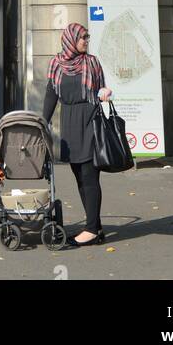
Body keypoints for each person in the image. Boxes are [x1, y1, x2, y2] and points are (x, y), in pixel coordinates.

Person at [43, 22, 112, 247]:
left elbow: (100, 87)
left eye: (87, 37)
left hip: (89, 120)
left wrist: (105, 93)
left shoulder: (91, 62)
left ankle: (91, 230)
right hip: (69, 123)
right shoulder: (56, 64)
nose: (86, 41)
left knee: (90, 174)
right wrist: (41, 122)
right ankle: (97, 227)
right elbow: (51, 94)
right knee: (79, 175)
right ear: (71, 39)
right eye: (83, 37)